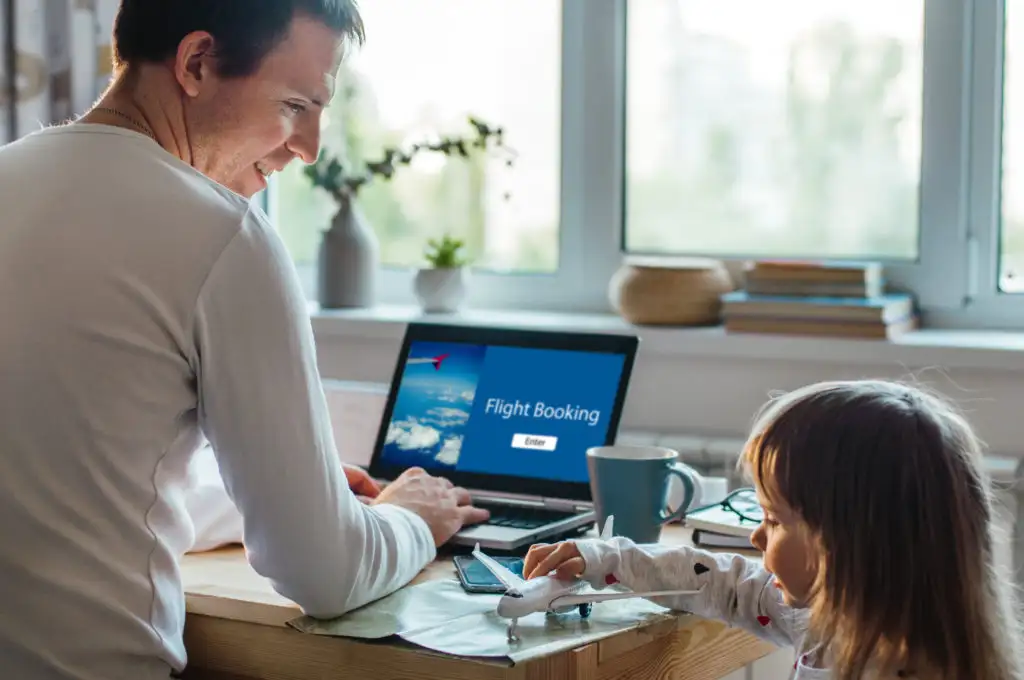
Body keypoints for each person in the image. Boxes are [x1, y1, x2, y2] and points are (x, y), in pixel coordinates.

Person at [0, 2, 488, 679]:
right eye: (295, 104)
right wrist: (411, 518)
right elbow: (327, 574)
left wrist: (265, 499)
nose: (309, 147)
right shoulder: (221, 234)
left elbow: (65, 482)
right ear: (196, 63)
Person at [523, 380, 1024, 680]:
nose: (757, 538)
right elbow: (716, 580)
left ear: (850, 542)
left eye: (774, 520)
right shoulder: (826, 618)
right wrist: (605, 559)